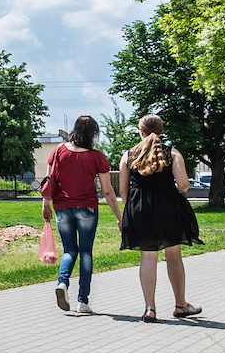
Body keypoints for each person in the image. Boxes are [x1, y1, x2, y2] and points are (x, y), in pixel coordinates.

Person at [119, 114, 203, 322]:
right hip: (168, 208)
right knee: (173, 256)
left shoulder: (128, 155)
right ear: (162, 131)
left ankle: (150, 308)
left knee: (148, 257)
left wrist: (136, 205)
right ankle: (181, 305)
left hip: (140, 210)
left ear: (141, 131)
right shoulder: (172, 153)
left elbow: (122, 191)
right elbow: (183, 184)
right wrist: (169, 190)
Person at [43, 115, 121, 315]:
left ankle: (62, 283)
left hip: (62, 208)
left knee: (70, 251)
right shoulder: (96, 157)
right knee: (85, 252)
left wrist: (46, 205)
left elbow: (48, 181)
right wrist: (120, 218)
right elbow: (107, 191)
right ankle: (82, 302)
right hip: (86, 208)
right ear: (93, 133)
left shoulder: (59, 151)